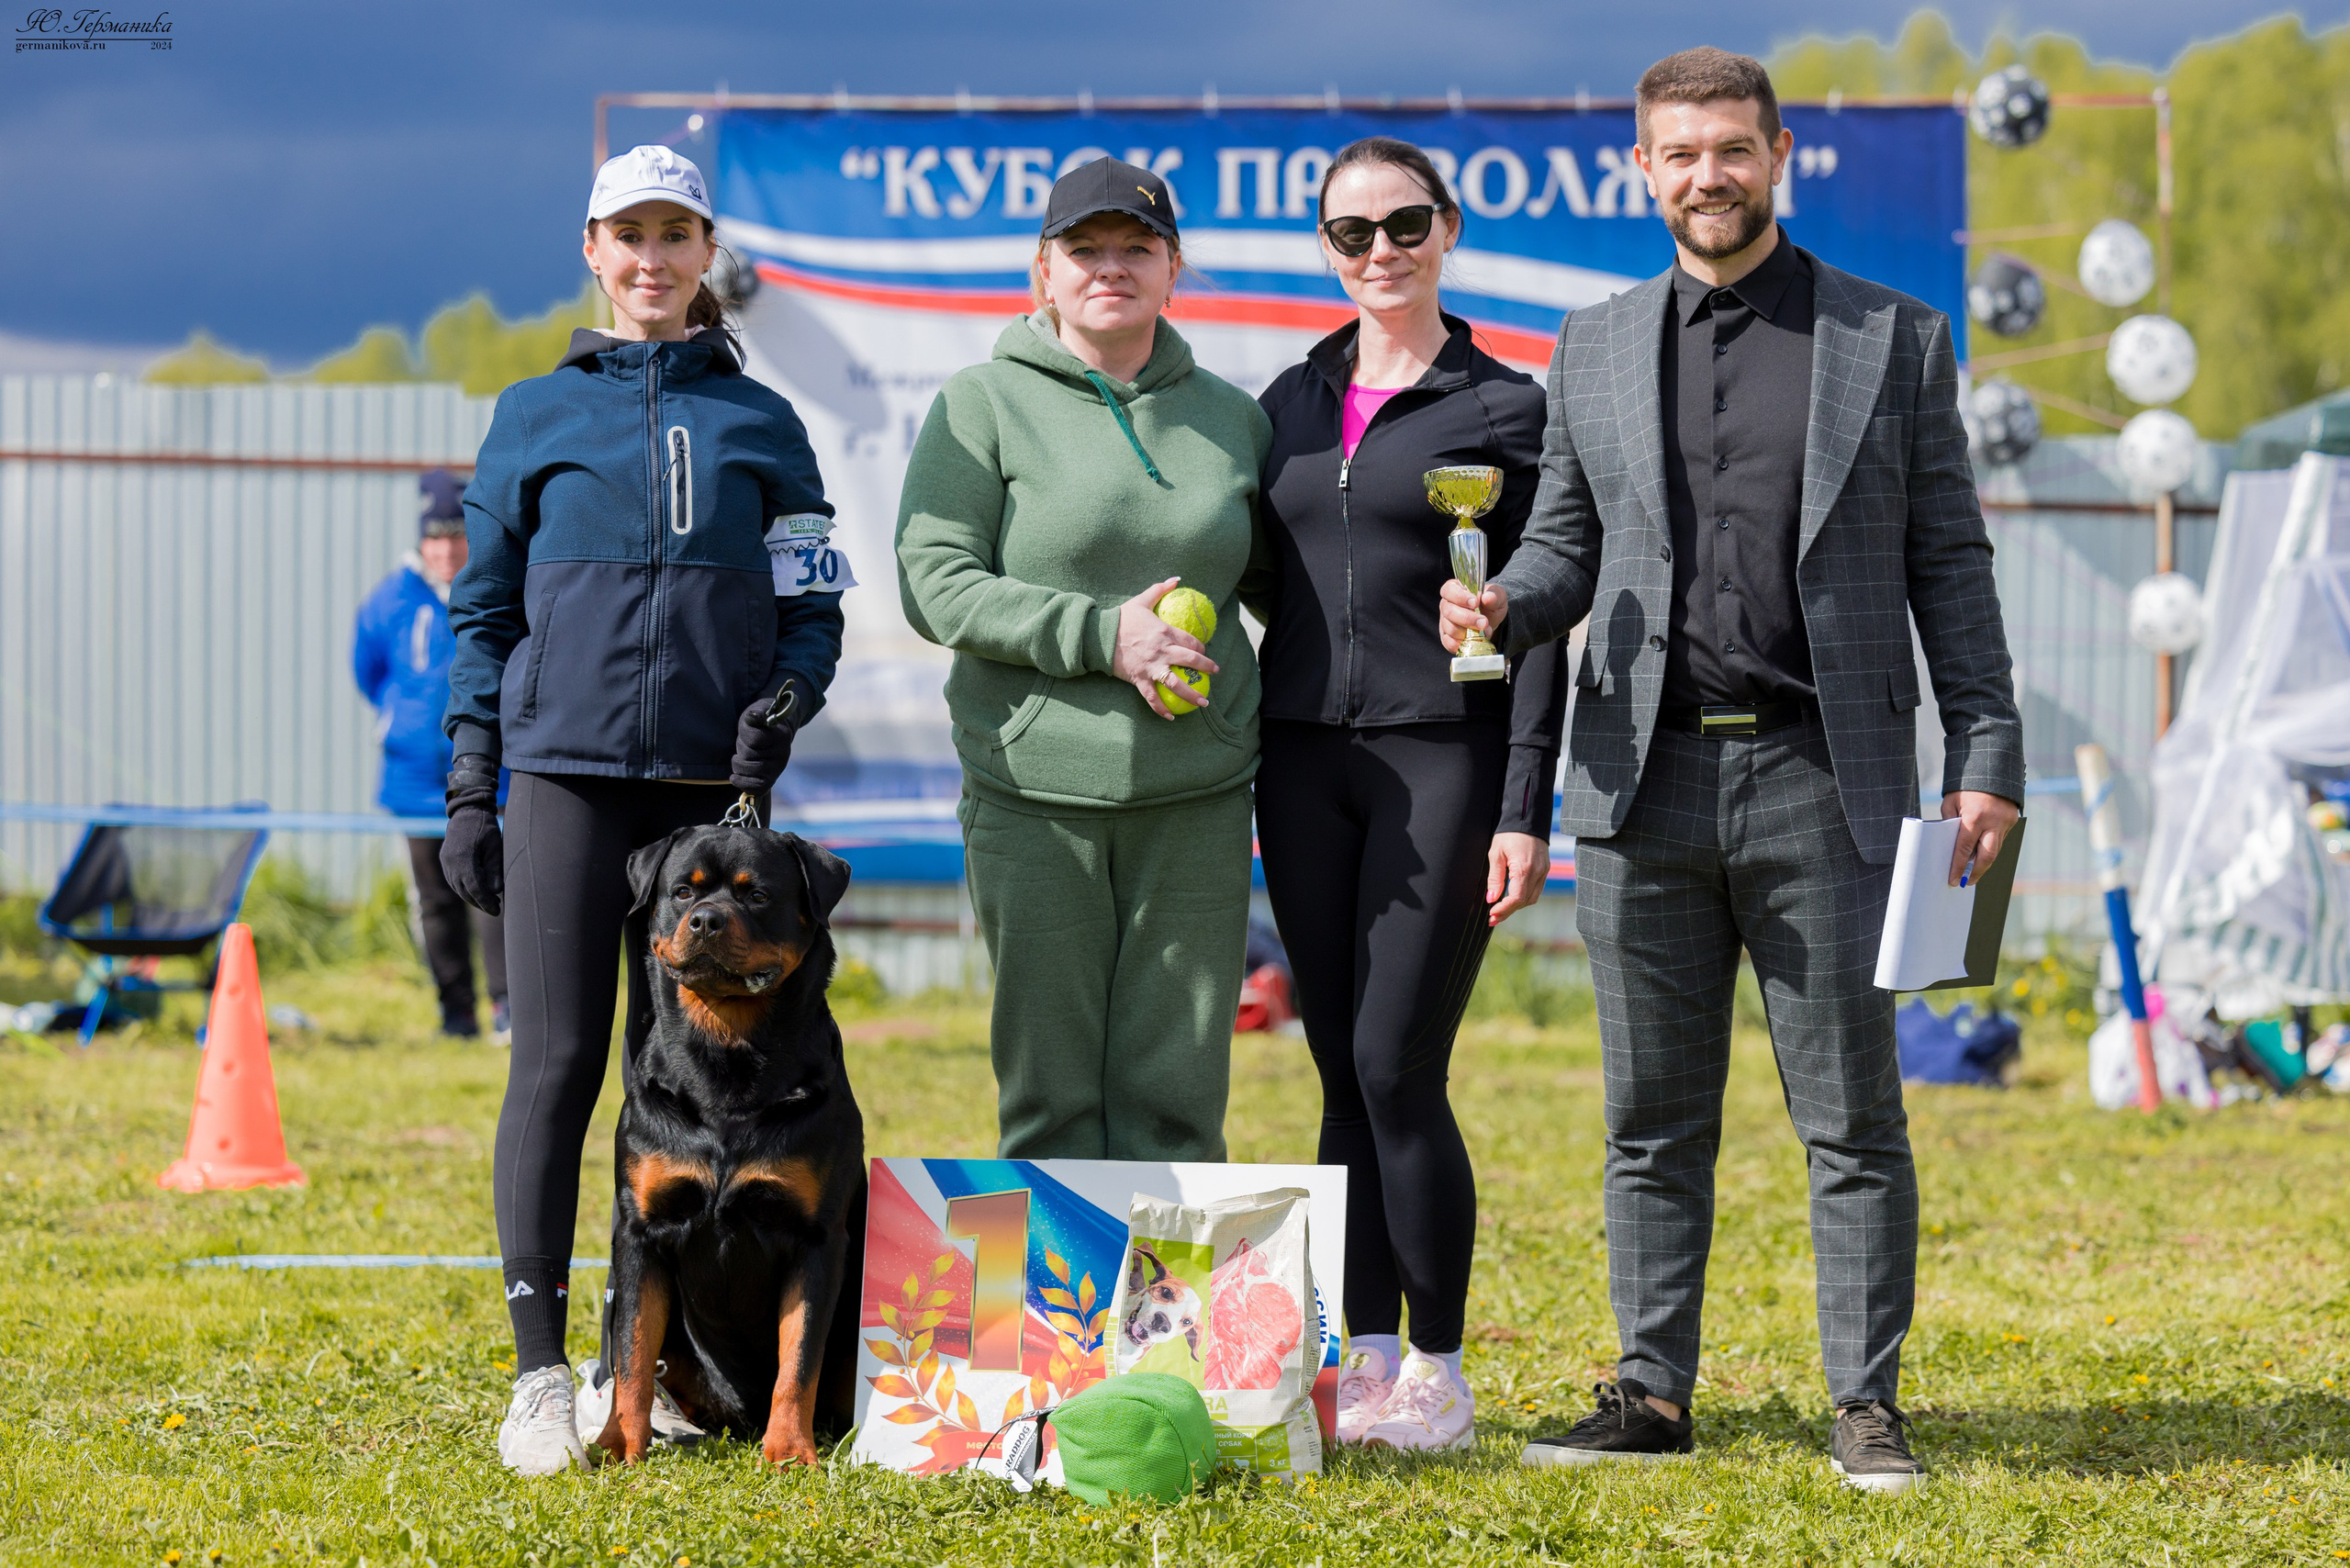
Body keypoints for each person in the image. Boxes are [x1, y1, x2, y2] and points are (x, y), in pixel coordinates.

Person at [1440, 49, 2022, 1492]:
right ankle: (1650, 1394)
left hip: (1831, 782)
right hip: (1639, 783)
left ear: (1779, 157)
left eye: (1733, 149)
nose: (1709, 175)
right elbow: (1567, 547)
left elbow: (1950, 562)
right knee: (1649, 1120)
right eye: (1682, 153)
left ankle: (1866, 1405)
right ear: (1644, 169)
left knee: (1853, 1122)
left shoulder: (1893, 337)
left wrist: (1987, 750)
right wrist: (1507, 602)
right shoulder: (1591, 344)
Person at [440, 144, 849, 1475]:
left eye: (677, 235)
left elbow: (814, 603)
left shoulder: (764, 421)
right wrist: (472, 783)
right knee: (558, 1063)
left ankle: (660, 1370)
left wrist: (783, 702)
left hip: (711, 797)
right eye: (630, 236)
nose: (653, 259)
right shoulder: (532, 414)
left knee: (687, 1080)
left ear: (705, 252)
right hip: (566, 778)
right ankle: (539, 1378)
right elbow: (483, 615)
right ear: (593, 249)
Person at [1253, 137, 1567, 1454]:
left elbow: (1543, 618)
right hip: (1297, 761)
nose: (1378, 250)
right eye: (1350, 232)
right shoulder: (1287, 399)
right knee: (1339, 1070)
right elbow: (1266, 570)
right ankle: (1366, 1356)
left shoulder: (1506, 407)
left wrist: (1525, 803)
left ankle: (1438, 1369)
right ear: (1325, 248)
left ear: (1447, 230)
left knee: (1397, 1063)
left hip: (1446, 758)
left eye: (1403, 224)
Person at [895, 156, 1272, 1161]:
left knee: (1177, 1108)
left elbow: (1293, 589)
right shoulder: (982, 403)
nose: (1111, 267)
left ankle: (1165, 1280)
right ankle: (1057, 1279)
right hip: (1033, 796)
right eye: (1084, 249)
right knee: (1050, 1105)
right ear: (1044, 272)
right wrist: (1107, 636)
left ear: (1172, 269)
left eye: (1136, 248)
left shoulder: (1233, 418)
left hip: (1196, 798)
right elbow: (935, 585)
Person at [352, 469, 509, 1042]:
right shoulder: (390, 599)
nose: (446, 551)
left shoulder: (498, 589)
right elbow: (369, 672)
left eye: (456, 536)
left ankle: (506, 1008)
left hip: (492, 777)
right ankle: (455, 1012)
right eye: (435, 538)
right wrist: (404, 723)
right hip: (415, 780)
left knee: (495, 892)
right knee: (436, 899)